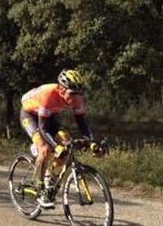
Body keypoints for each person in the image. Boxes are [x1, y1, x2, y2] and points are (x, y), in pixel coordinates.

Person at [19, 69, 101, 208]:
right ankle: (38, 187)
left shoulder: (77, 100)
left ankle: (50, 180)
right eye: (71, 94)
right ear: (62, 89)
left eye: (77, 94)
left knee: (67, 143)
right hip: (29, 114)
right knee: (44, 149)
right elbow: (43, 128)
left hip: (48, 116)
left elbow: (83, 125)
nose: (74, 98)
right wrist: (55, 147)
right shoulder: (48, 94)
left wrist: (91, 143)